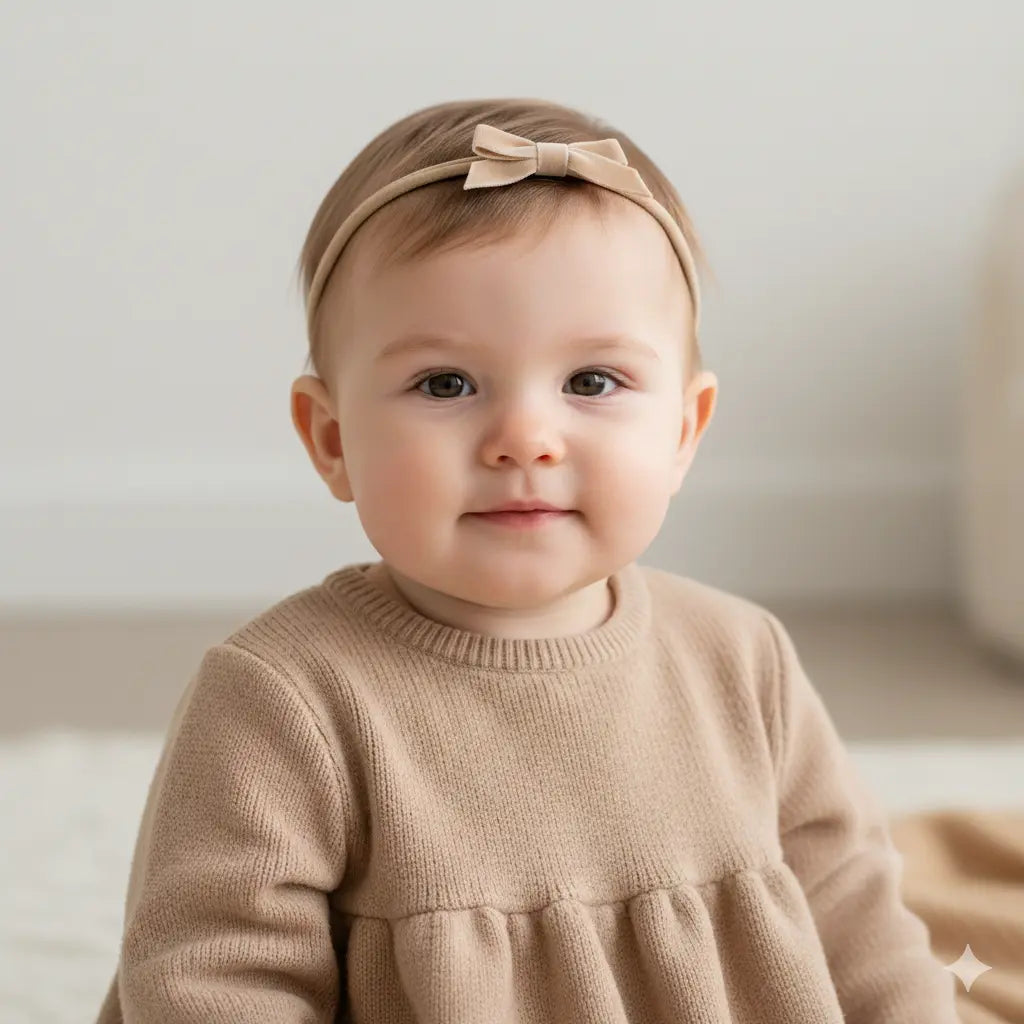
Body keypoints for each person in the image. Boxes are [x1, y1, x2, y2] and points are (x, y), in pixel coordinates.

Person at [95, 97, 961, 1023]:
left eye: (593, 382)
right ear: (333, 438)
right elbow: (214, 980)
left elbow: (861, 923)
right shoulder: (285, 697)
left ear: (683, 429)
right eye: (446, 384)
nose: (524, 439)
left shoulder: (741, 658)